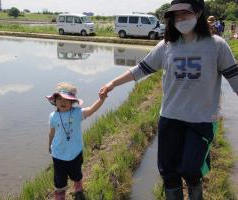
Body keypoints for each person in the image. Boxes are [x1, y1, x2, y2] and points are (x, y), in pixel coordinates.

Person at [99, 0, 238, 199]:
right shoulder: (166, 45)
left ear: (198, 13)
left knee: (191, 170)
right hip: (170, 118)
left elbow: (234, 78)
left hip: (201, 120)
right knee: (168, 172)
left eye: (185, 13)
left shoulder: (216, 45)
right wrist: (113, 83)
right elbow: (141, 69)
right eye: (176, 15)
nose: (180, 19)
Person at [46, 82, 106, 200]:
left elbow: (91, 110)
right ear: (55, 101)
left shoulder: (77, 113)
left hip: (75, 153)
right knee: (59, 179)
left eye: (67, 100)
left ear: (72, 102)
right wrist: (49, 145)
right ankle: (60, 196)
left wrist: (101, 100)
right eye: (60, 99)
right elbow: (52, 132)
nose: (63, 102)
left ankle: (78, 189)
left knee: (76, 174)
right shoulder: (53, 116)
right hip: (58, 154)